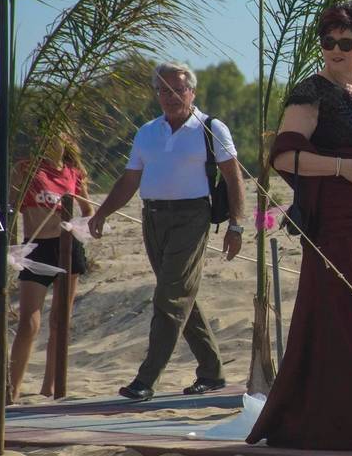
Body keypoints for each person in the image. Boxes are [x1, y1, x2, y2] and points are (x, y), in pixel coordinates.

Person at [245, 2, 352, 450]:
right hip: (338, 223)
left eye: (345, 43)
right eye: (327, 42)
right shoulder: (310, 92)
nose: (334, 51)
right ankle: (342, 422)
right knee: (342, 315)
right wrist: (340, 166)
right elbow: (283, 156)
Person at [88, 62, 246, 401]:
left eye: (178, 89)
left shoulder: (210, 128)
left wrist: (236, 225)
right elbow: (130, 178)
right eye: (163, 90)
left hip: (193, 217)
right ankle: (212, 371)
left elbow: (234, 178)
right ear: (156, 93)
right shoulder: (147, 131)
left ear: (192, 91)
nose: (171, 96)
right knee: (180, 296)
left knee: (170, 297)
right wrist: (102, 212)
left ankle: (146, 379)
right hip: (153, 218)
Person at [5, 134, 92, 403]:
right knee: (29, 323)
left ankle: (49, 389)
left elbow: (88, 209)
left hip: (67, 248)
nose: (47, 139)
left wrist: (82, 222)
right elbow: (8, 208)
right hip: (37, 247)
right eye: (44, 133)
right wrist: (3, 236)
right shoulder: (25, 168)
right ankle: (11, 391)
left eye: (55, 133)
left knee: (59, 321)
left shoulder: (73, 171)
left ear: (66, 139)